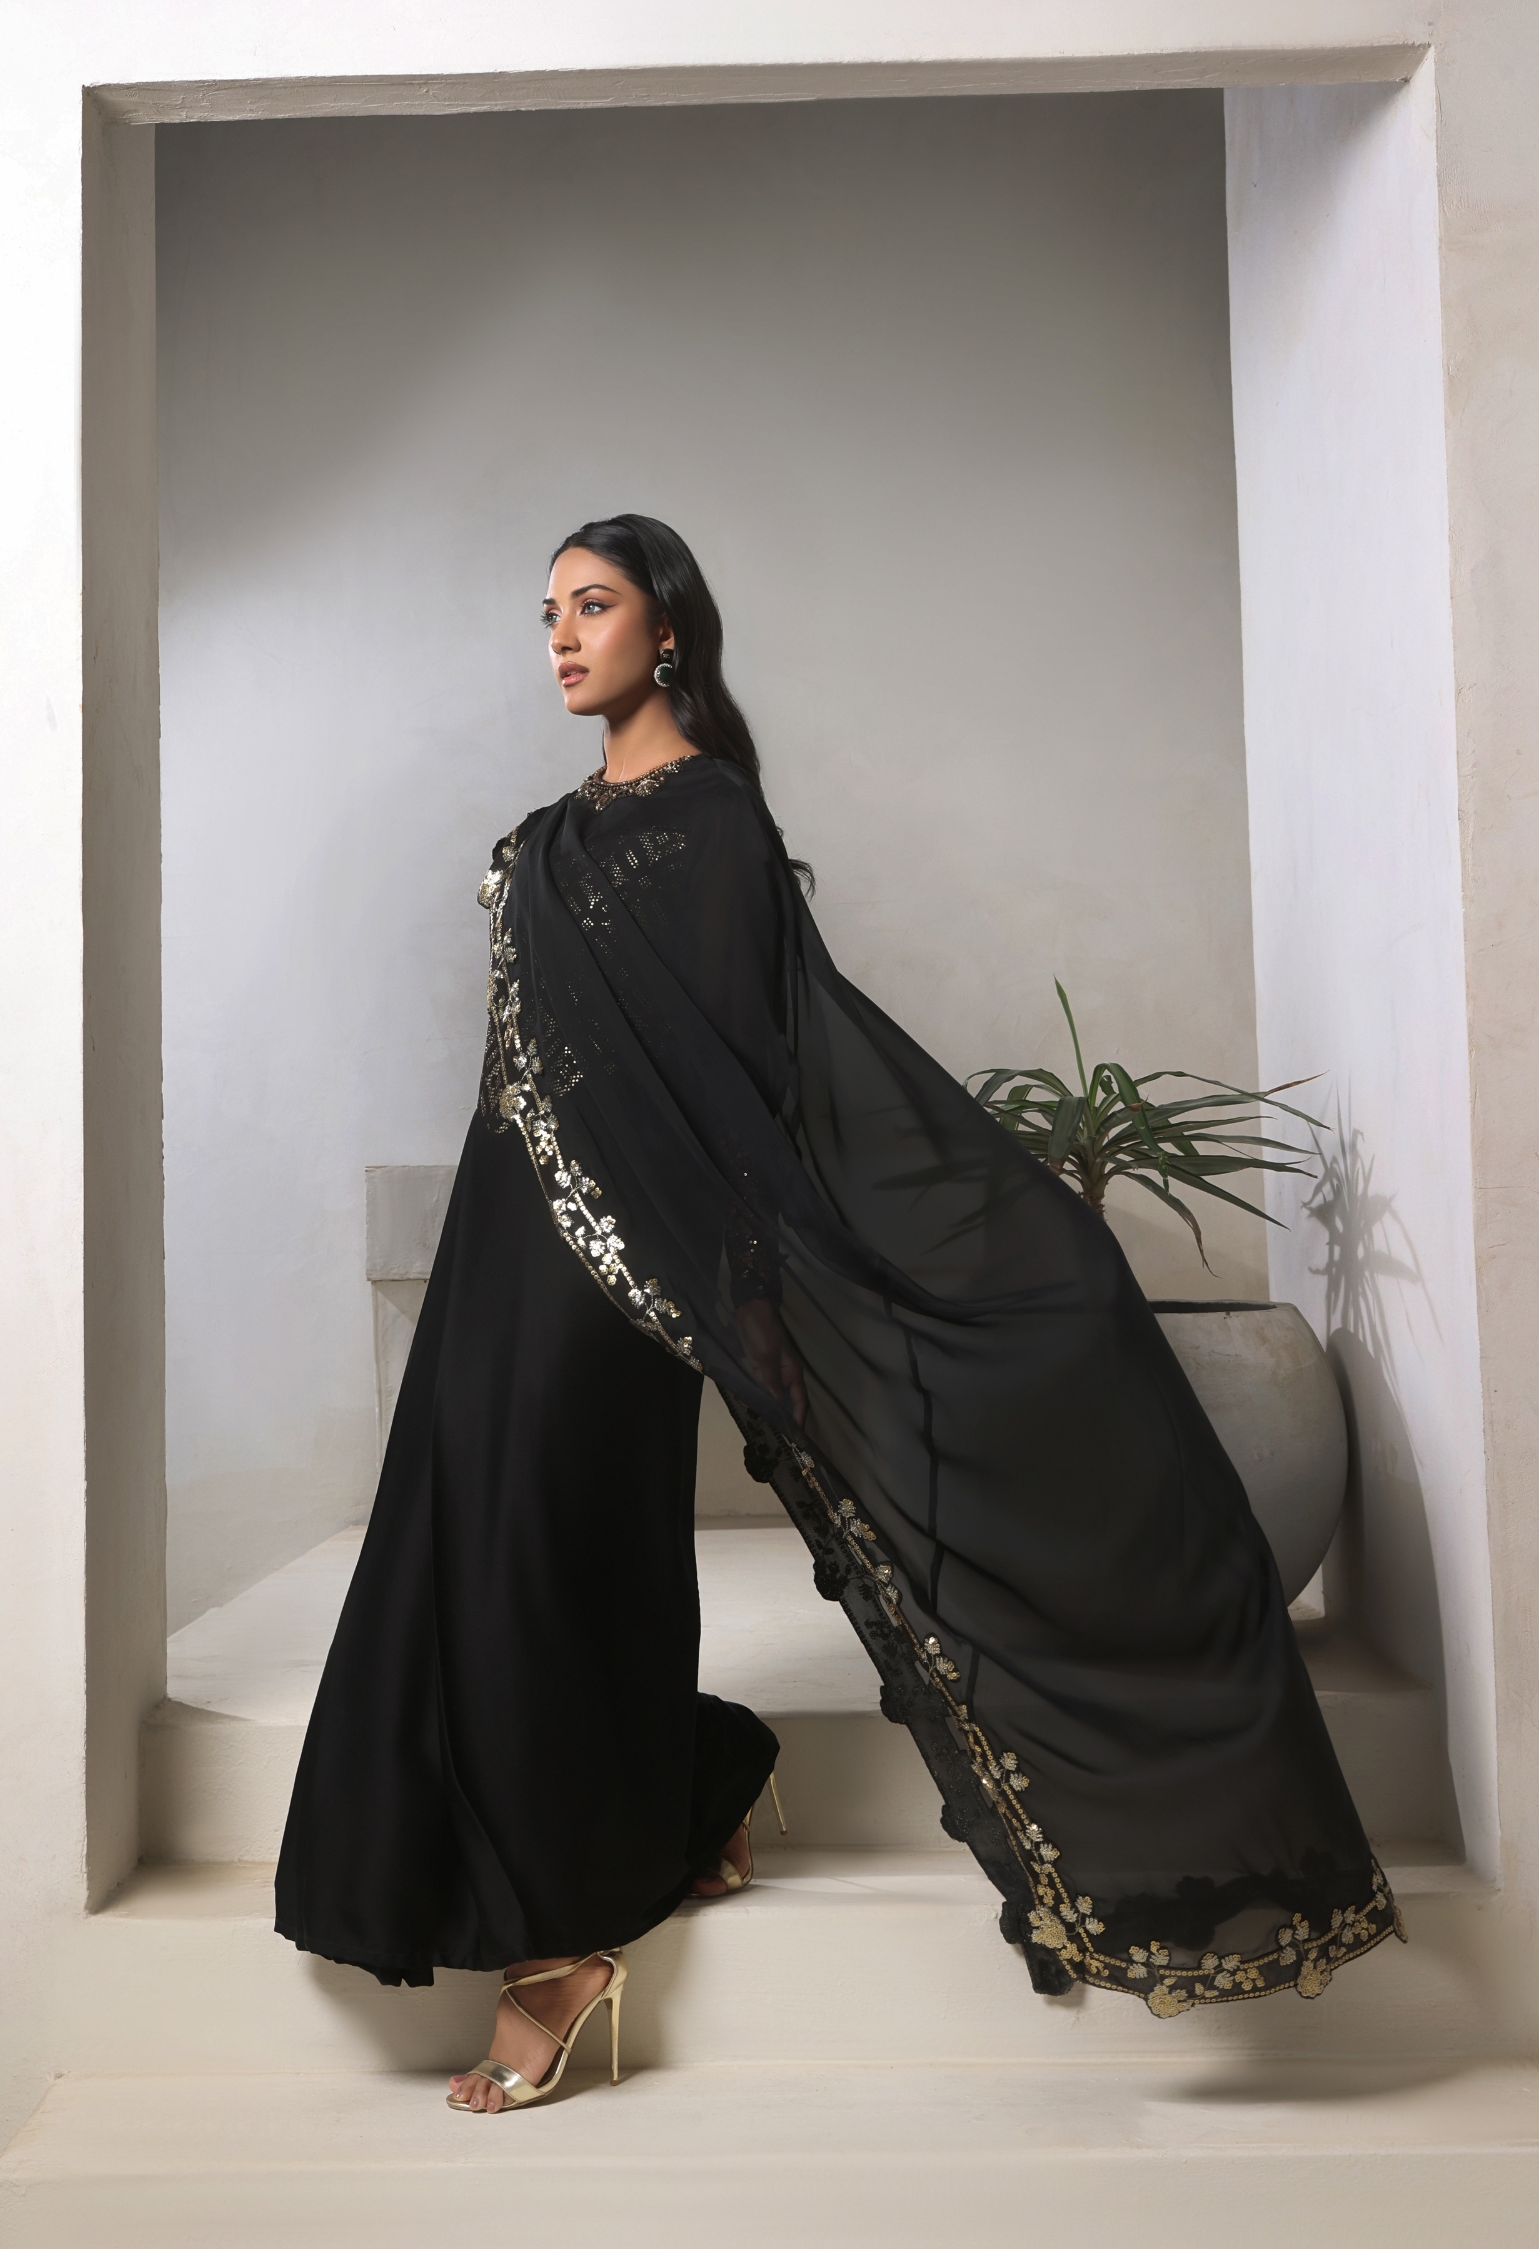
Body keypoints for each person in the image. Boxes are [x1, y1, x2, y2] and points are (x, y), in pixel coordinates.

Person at [275, 513, 1401, 2112]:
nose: (564, 637)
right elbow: (517, 1081)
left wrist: (757, 1299)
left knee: (556, 1552)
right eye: (548, 614)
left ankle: (570, 1940)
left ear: (669, 627)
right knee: (460, 1543)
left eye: (594, 605)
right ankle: (697, 1776)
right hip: (500, 1250)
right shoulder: (544, 839)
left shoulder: (715, 825)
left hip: (626, 1276)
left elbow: (744, 1090)